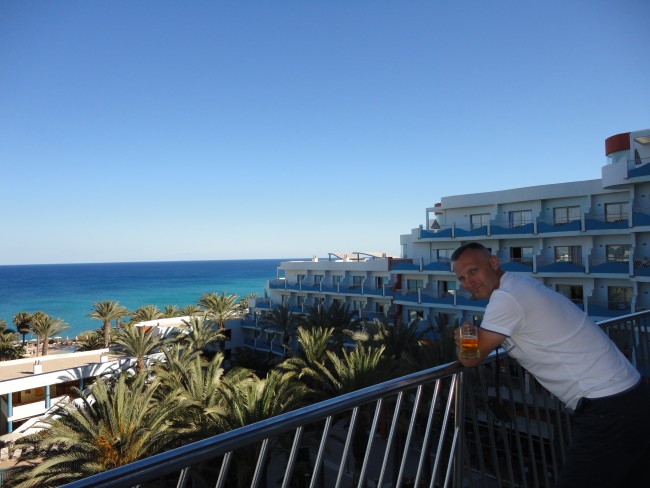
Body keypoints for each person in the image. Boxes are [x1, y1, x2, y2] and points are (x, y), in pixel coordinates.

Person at [451, 242, 650, 488]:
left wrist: (465, 335)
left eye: (473, 271)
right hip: (631, 396)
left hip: (607, 408)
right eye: (461, 278)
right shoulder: (520, 284)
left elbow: (470, 358)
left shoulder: (507, 298)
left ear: (493, 263)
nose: (469, 282)